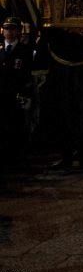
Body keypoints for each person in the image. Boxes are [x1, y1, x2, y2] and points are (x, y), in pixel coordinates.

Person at [0, 17, 33, 171]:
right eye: (7, 28)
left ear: (18, 31)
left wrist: (26, 95)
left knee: (16, 127)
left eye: (13, 28)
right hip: (2, 95)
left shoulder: (25, 51)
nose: (9, 31)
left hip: (16, 95)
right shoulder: (0, 49)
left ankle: (16, 159)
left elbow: (27, 75)